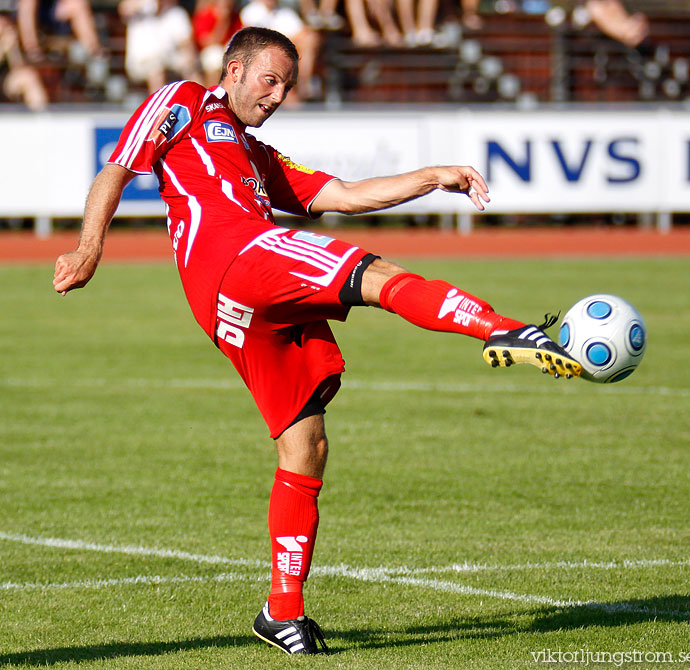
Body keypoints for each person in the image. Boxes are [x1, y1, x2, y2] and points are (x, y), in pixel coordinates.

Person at [53, 26, 581, 655]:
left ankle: (282, 613)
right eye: (269, 80)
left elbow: (348, 195)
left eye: (287, 87)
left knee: (306, 445)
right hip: (237, 258)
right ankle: (503, 329)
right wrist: (89, 246)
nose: (277, 96)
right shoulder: (185, 100)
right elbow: (117, 165)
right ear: (234, 68)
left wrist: (432, 176)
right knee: (374, 274)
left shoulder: (258, 158)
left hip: (239, 304)